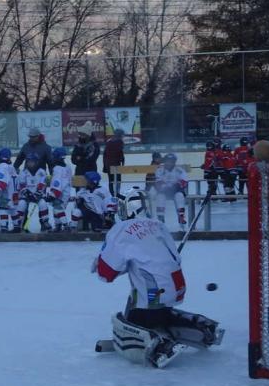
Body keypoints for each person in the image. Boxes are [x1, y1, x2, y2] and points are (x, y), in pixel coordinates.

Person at [93, 188, 224, 368]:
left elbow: (106, 274)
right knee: (157, 307)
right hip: (176, 287)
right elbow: (174, 258)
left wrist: (99, 262)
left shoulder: (121, 230)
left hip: (153, 291)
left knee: (137, 304)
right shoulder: (158, 225)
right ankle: (199, 327)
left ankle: (157, 344)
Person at [15, 153, 51, 233]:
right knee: (21, 204)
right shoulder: (23, 172)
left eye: (32, 161)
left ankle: (45, 222)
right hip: (26, 195)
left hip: (38, 195)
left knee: (43, 203)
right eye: (28, 161)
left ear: (36, 162)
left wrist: (38, 193)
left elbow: (42, 184)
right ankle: (18, 224)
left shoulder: (42, 172)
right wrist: (28, 194)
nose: (30, 163)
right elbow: (22, 185)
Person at [154, 153, 188, 228]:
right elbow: (158, 182)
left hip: (176, 190)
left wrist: (176, 186)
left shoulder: (179, 170)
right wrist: (164, 187)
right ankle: (160, 219)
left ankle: (181, 217)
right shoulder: (159, 170)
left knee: (180, 196)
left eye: (171, 161)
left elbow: (184, 181)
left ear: (174, 162)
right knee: (160, 197)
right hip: (164, 191)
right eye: (167, 161)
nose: (169, 163)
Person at [46, 147, 72, 232]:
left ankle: (66, 225)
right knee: (55, 208)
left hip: (60, 193)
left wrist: (52, 195)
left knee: (57, 208)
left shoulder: (57, 169)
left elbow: (57, 184)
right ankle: (58, 225)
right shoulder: (67, 167)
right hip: (66, 192)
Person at [0, 147, 20, 232]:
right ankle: (16, 226)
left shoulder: (2, 166)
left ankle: (4, 226)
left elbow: (2, 181)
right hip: (15, 193)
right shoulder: (11, 167)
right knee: (13, 209)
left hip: (6, 192)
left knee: (3, 208)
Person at [103, 131, 125, 196]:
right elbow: (120, 153)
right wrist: (122, 161)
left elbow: (105, 155)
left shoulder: (109, 142)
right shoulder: (120, 142)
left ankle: (112, 194)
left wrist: (105, 166)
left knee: (111, 180)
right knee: (118, 180)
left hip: (108, 164)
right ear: (120, 135)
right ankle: (117, 194)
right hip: (116, 164)